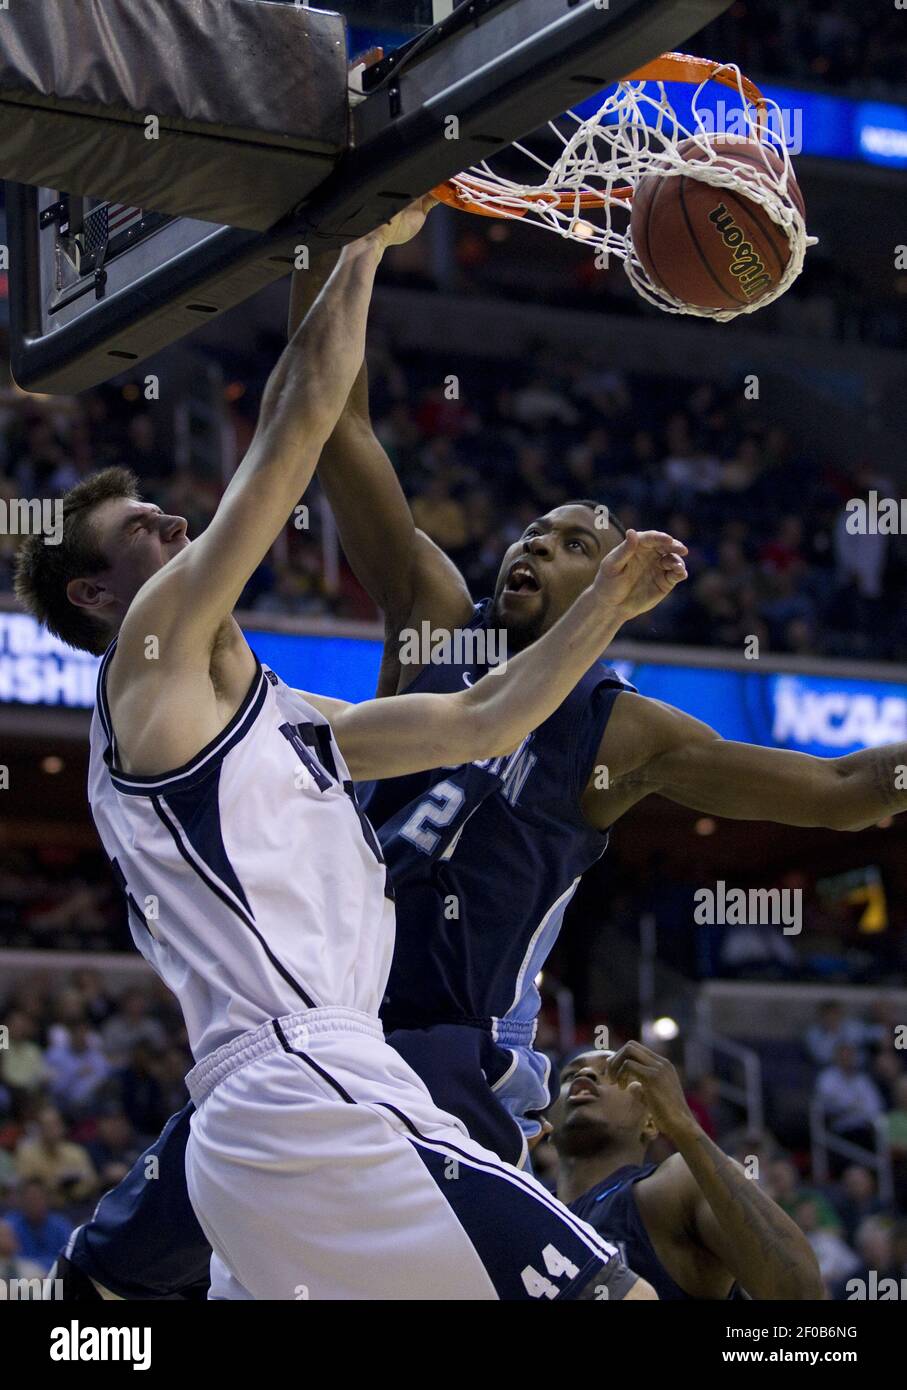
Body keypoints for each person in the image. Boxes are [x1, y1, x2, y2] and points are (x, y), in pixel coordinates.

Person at [16, 199, 685, 1301]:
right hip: (308, 1078)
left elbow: (485, 720)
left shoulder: (283, 716)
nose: (176, 529)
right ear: (98, 594)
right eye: (142, 529)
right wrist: (366, 234)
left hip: (273, 1114)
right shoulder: (146, 663)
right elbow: (298, 426)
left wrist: (607, 603)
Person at [547, 1042, 822, 1300]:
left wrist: (684, 1126)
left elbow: (801, 1293)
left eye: (611, 1074)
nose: (585, 1074)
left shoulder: (673, 1183)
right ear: (547, 1123)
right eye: (569, 1076)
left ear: (652, 1122)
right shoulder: (525, 1209)